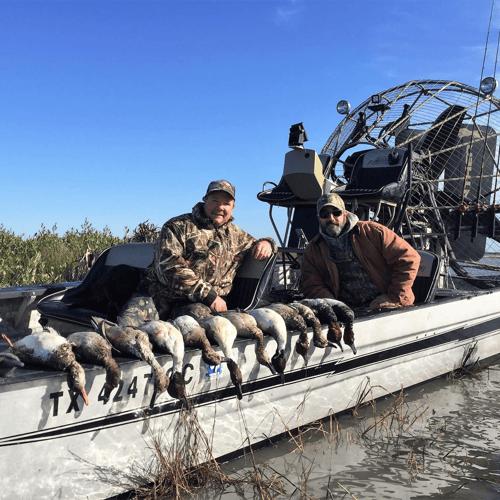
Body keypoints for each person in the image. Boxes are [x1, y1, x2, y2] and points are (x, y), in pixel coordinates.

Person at [142, 179, 277, 320]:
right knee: (125, 330)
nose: (220, 207)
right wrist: (208, 295)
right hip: (158, 298)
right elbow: (168, 266)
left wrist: (268, 242)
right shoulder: (177, 226)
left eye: (226, 203)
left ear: (233, 207)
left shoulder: (237, 235)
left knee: (204, 325)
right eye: (215, 201)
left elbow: (260, 243)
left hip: (199, 306)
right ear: (205, 200)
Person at [301, 193, 420, 309]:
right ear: (319, 218)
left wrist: (393, 297)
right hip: (347, 312)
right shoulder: (313, 250)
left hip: (387, 306)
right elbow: (312, 285)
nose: (331, 218)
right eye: (324, 214)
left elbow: (409, 258)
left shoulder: (373, 231)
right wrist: (335, 307)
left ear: (345, 214)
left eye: (336, 213)